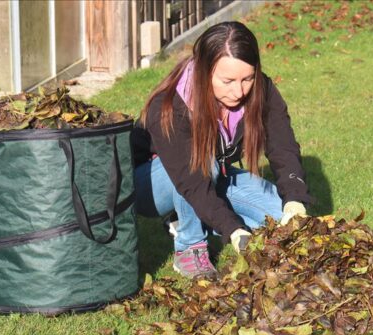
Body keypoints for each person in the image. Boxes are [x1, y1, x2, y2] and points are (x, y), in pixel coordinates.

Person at [131, 21, 312, 279]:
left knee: (282, 222)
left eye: (247, 78)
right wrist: (234, 230)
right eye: (227, 81)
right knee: (203, 164)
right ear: (204, 72)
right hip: (149, 185)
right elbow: (192, 182)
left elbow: (283, 146)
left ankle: (187, 218)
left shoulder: (262, 89)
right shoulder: (170, 106)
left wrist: (295, 197)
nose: (238, 91)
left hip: (211, 173)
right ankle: (190, 248)